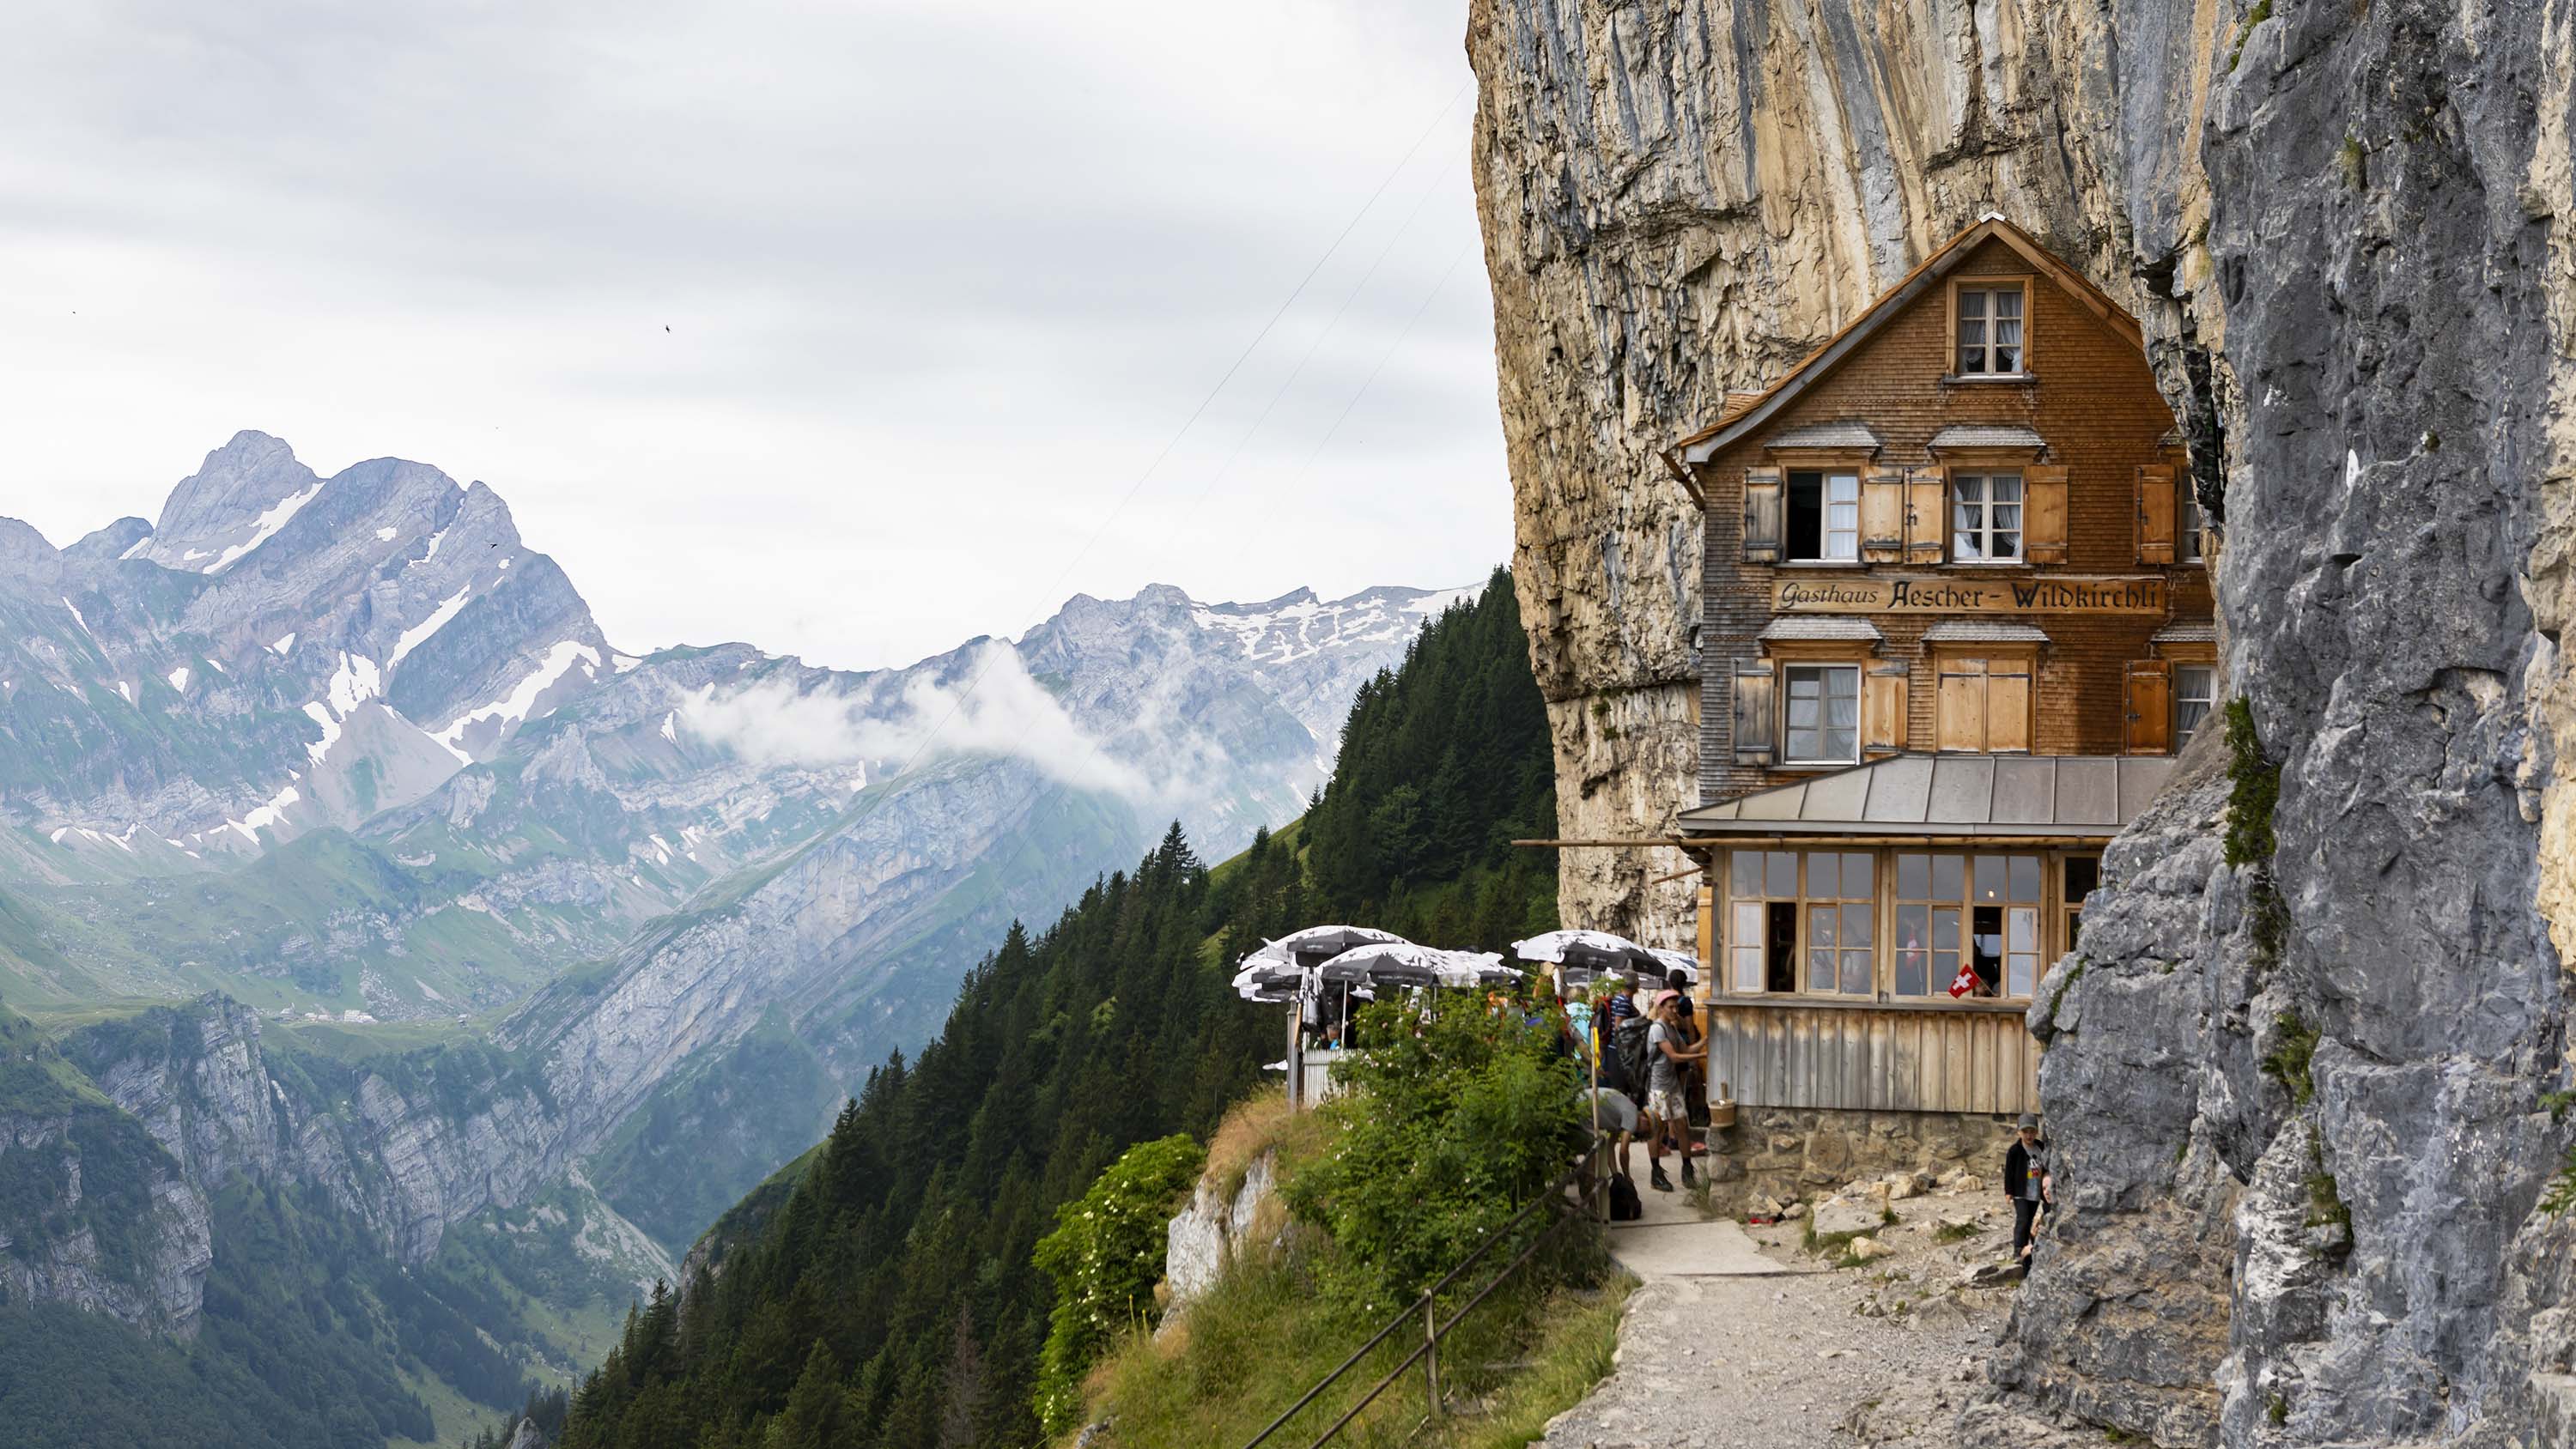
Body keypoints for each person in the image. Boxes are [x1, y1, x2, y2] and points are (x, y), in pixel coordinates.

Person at [1643, 991, 1707, 1192]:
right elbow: (1675, 1057)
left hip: (1672, 1086)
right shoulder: (1657, 1029)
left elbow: (1686, 1050)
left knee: (1682, 1127)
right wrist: (1703, 1055)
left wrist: (1705, 1040)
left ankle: (1687, 1169)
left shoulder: (1671, 1028)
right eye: (1670, 1007)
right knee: (1657, 1129)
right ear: (1660, 1007)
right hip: (1658, 1088)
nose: (1674, 1010)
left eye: (1676, 1007)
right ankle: (1656, 1173)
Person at [2004, 1113, 2049, 1269]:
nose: (2029, 1135)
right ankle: (2018, 1249)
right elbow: (2009, 1172)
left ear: (2036, 1132)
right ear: (2019, 1133)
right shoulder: (2015, 1150)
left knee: (2030, 1219)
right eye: (2025, 1132)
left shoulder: (2041, 1147)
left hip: (2035, 1192)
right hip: (2020, 1191)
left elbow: (2047, 1167)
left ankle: (2029, 1241)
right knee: (2022, 1219)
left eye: (2032, 1132)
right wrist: (2008, 1191)